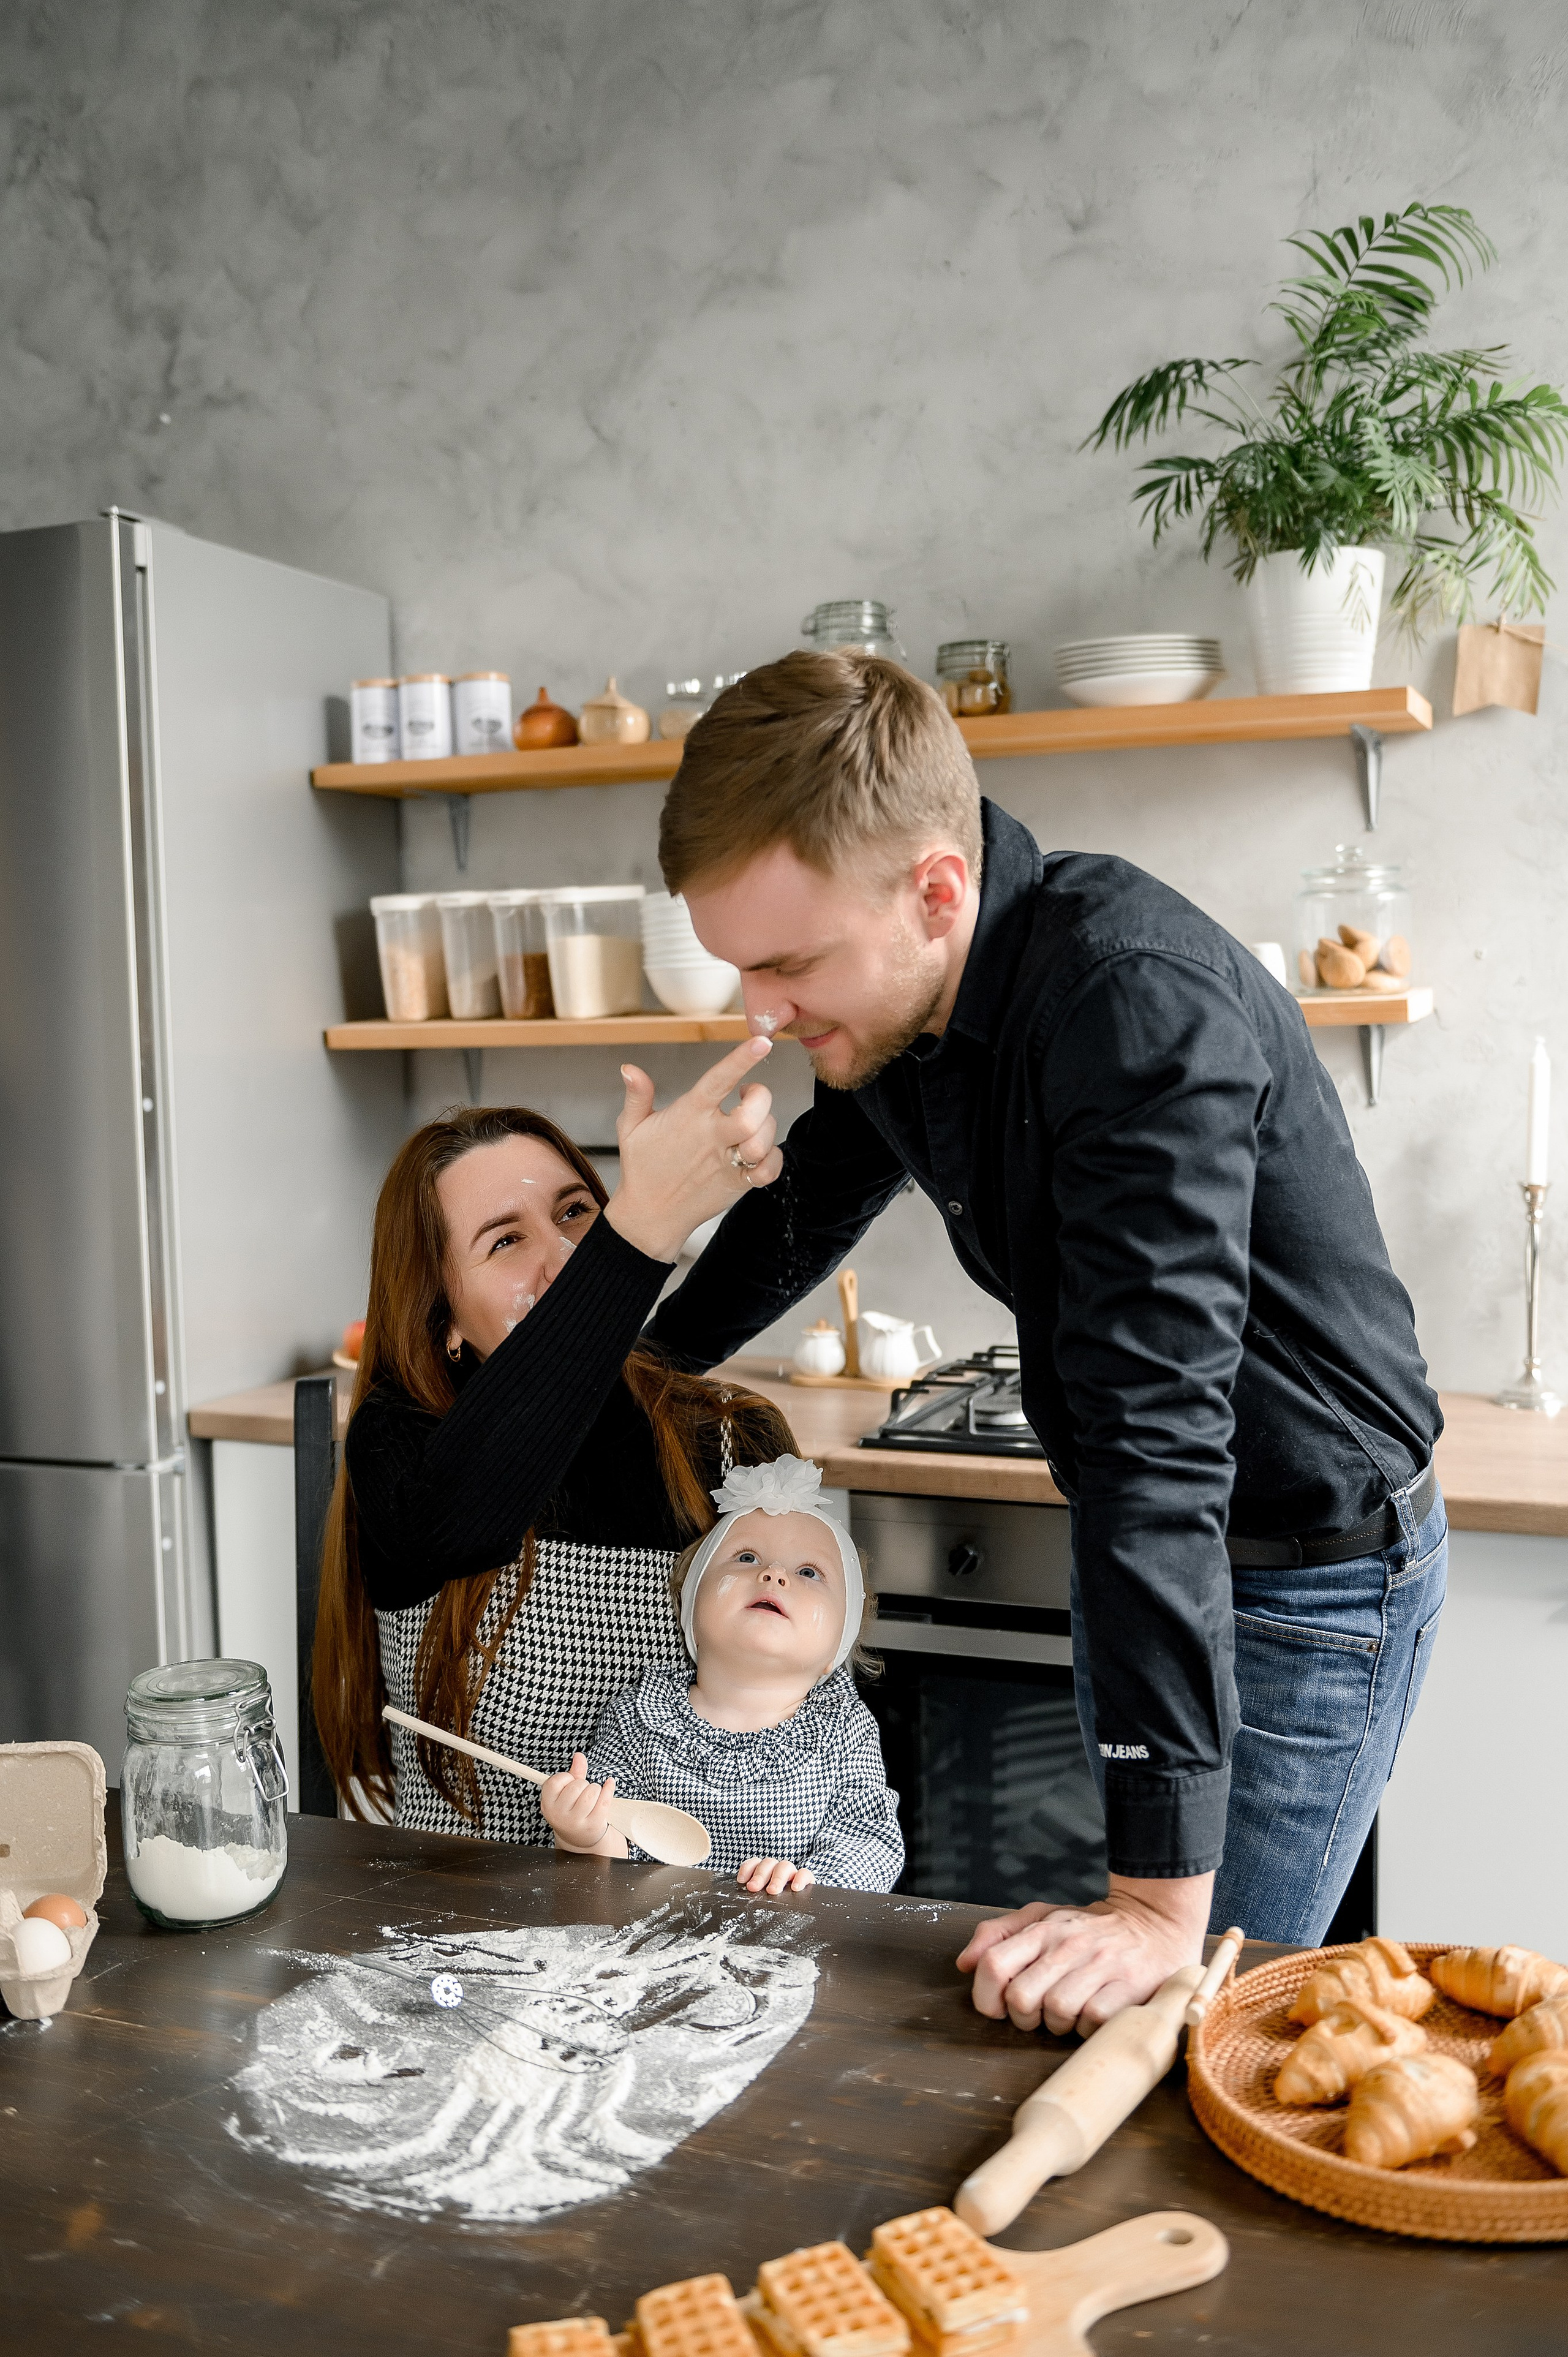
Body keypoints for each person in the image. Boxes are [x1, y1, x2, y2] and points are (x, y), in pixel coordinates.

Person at [644, 649, 1446, 2032]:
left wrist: (1151, 1902)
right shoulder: (905, 1010)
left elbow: (1155, 1442)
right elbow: (814, 1197)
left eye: (783, 963)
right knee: (1130, 2014)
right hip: (1146, 1561)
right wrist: (633, 1344)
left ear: (935, 889)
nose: (757, 1014)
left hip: (1305, 1581)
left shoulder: (1129, 1006)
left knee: (1189, 2028)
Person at [312, 1038, 799, 1840]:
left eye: (577, 1213)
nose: (566, 1256)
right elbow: (462, 1520)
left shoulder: (724, 1434)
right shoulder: (402, 1441)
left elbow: (811, 1712)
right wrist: (639, 1233)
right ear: (444, 1318)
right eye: (505, 1241)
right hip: (472, 1918)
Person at [541, 1454, 903, 1894]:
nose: (773, 1575)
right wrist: (584, 1832)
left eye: (809, 1572)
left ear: (837, 1646)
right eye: (746, 1557)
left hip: (782, 1948)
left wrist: (813, 1882)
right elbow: (610, 1859)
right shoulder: (638, 1717)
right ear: (690, 1610)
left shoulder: (844, 1727)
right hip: (655, 1947)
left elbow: (872, 1842)